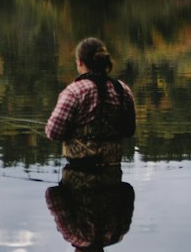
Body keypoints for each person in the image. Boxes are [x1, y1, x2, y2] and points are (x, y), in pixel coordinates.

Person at [45, 36, 135, 173]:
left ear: (80, 62)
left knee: (51, 193)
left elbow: (54, 132)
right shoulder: (123, 90)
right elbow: (129, 130)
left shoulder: (74, 92)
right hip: (113, 171)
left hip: (77, 173)